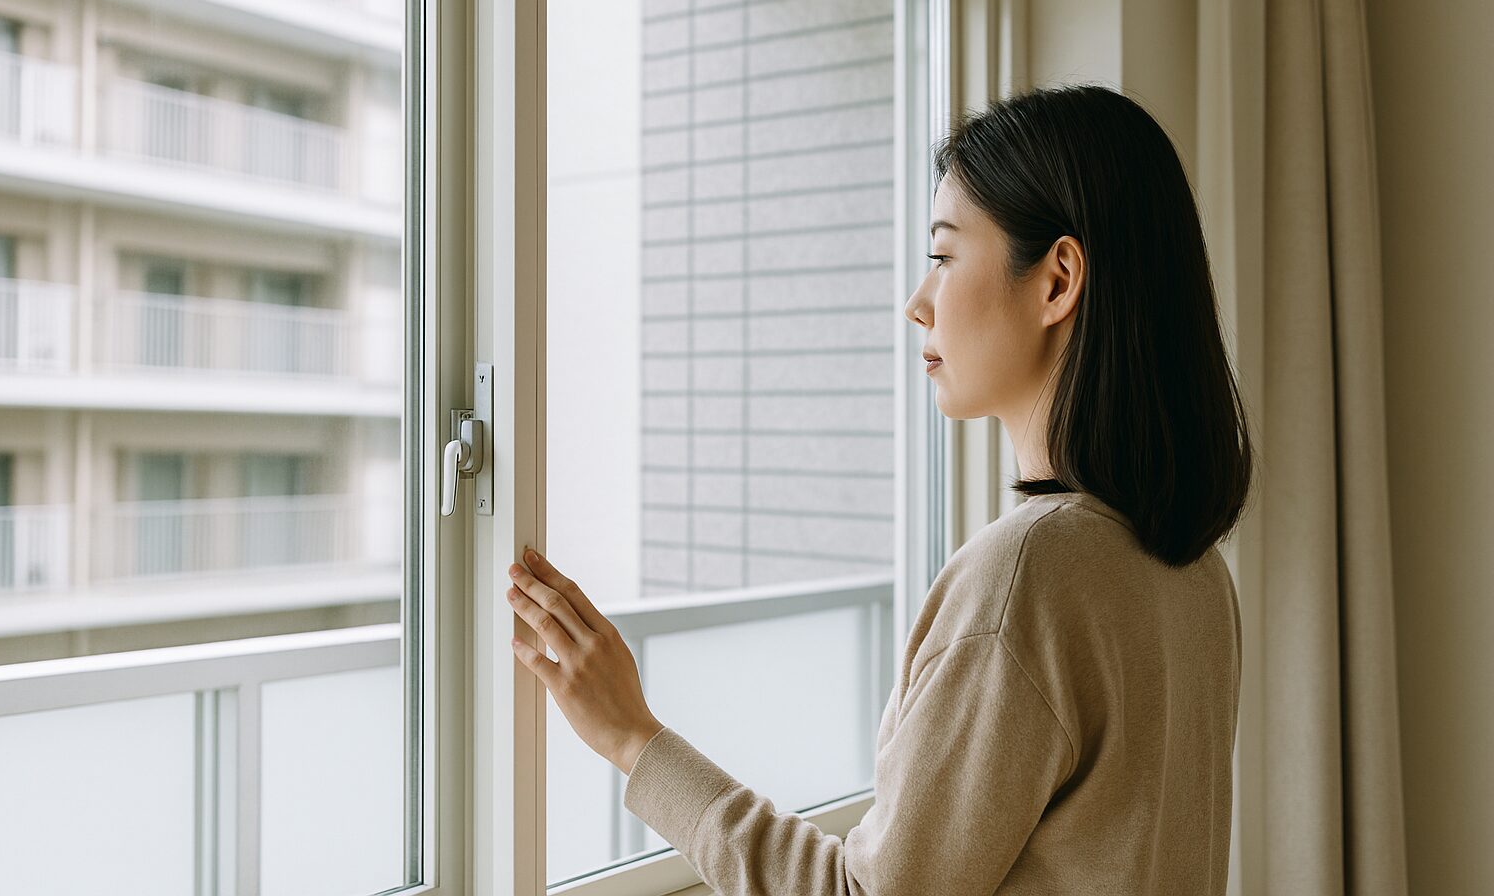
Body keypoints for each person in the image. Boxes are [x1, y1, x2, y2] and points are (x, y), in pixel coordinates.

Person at [506, 82, 1254, 894]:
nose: (916, 302)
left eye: (941, 256)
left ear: (1057, 281)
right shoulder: (1193, 573)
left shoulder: (1032, 575)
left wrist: (633, 739)